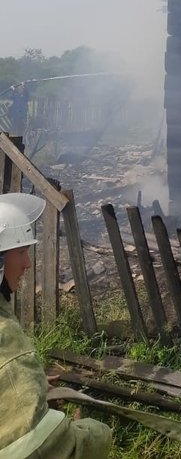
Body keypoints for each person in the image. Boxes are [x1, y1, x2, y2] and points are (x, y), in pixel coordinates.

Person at [0, 192, 113, 458]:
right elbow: (49, 447)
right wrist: (94, 434)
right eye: (21, 252)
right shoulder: (5, 338)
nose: (28, 264)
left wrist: (29, 382)